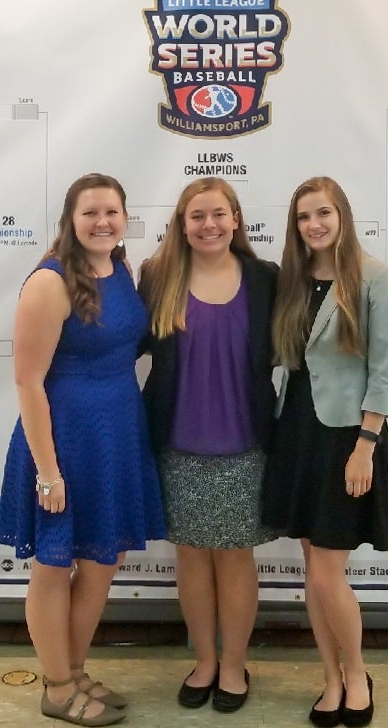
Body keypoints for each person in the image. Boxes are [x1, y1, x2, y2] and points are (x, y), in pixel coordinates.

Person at [0, 173, 166, 727]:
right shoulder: (49, 282)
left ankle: (74, 667)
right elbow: (27, 382)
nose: (102, 222)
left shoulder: (120, 270)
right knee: (53, 564)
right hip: (63, 438)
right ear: (70, 219)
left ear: (124, 218)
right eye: (90, 212)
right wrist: (48, 472)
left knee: (101, 562)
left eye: (112, 212)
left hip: (117, 432)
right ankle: (57, 687)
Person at [261, 176, 388, 728]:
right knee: (310, 570)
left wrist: (366, 444)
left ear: (341, 214)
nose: (313, 225)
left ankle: (358, 673)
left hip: (347, 438)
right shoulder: (292, 281)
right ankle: (330, 678)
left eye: (322, 213)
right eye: (303, 217)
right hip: (296, 433)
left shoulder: (376, 278)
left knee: (326, 575)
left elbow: (384, 372)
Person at [138, 177, 279, 713]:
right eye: (196, 216)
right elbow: (121, 339)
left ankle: (236, 665)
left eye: (219, 214)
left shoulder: (266, 279)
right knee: (192, 558)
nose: (209, 225)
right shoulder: (158, 277)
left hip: (247, 444)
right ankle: (203, 661)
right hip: (177, 443)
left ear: (237, 219)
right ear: (181, 224)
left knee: (236, 558)